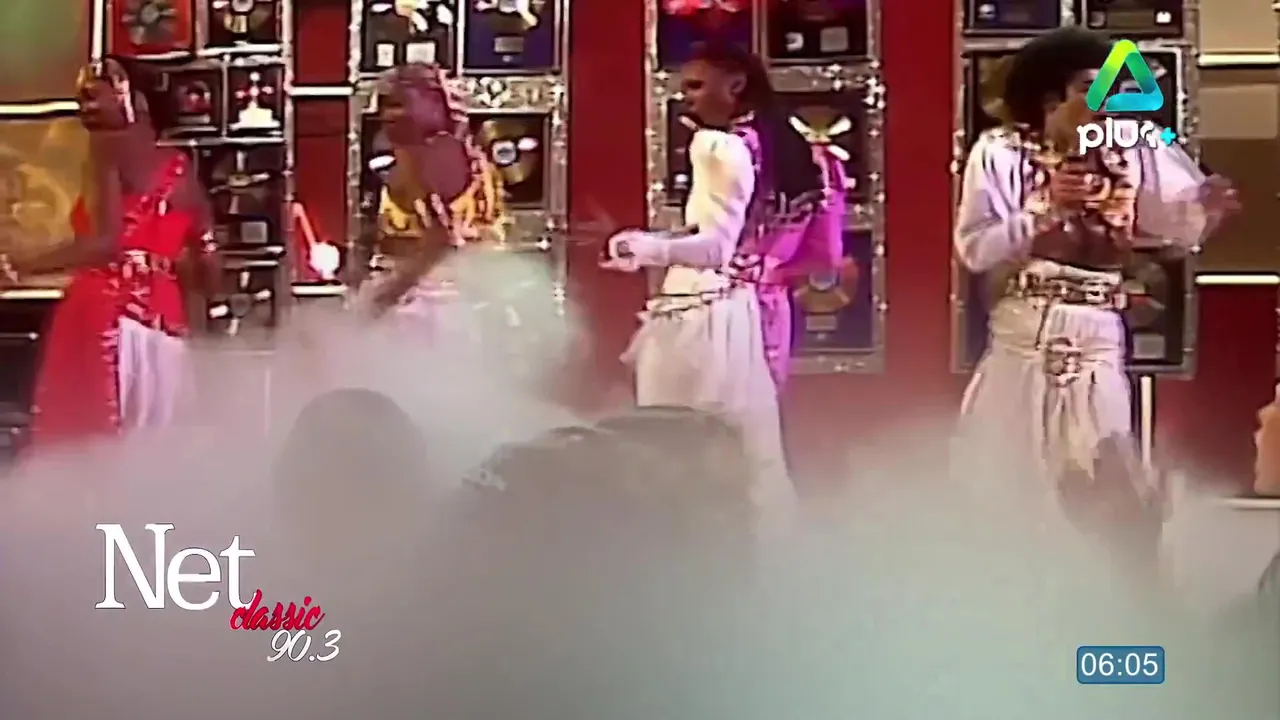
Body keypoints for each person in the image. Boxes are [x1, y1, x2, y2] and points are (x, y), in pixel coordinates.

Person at [954, 28, 1239, 520]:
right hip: (1026, 327)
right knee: (1008, 478)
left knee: (1103, 474)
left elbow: (1177, 229)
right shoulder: (1000, 151)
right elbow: (976, 249)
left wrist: (1208, 209)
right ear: (1050, 99)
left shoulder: (1134, 147)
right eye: (1089, 87)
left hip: (1101, 327)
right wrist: (1045, 211)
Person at [599, 42, 826, 519]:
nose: (686, 97)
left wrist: (646, 247)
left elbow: (715, 248)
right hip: (748, 307)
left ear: (736, 84)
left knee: (678, 447)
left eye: (697, 86)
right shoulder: (783, 148)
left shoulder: (717, 147)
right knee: (747, 453)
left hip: (702, 313)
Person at [0, 57, 216, 448]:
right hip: (168, 337)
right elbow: (210, 270)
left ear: (133, 99)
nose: (85, 108)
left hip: (106, 318)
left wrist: (17, 264)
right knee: (160, 459)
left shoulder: (106, 148)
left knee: (89, 452)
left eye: (92, 97)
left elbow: (105, 243)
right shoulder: (183, 171)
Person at [351, 62, 494, 330]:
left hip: (434, 308)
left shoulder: (441, 157)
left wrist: (382, 299)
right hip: (414, 302)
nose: (388, 114)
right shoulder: (410, 155)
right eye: (386, 104)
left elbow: (442, 242)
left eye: (400, 104)